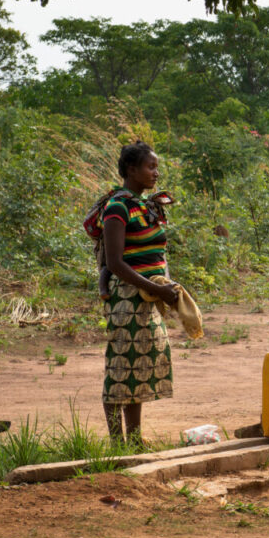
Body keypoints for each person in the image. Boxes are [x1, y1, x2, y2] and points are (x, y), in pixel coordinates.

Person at [99, 141, 180, 446]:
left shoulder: (147, 205)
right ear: (131, 170)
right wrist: (155, 288)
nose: (156, 173)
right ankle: (117, 442)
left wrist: (166, 286)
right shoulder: (118, 207)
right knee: (120, 367)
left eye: (156, 167)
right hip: (127, 298)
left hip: (149, 297)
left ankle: (134, 439)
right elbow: (115, 263)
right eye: (150, 167)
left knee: (139, 366)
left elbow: (159, 253)